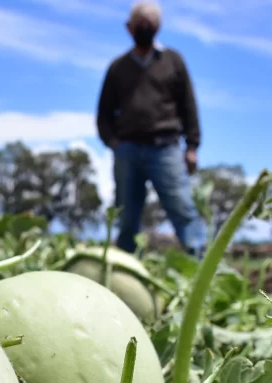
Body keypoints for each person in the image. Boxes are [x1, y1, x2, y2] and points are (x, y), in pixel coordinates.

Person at [96, 0, 207, 259]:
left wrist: (192, 146)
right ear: (129, 27)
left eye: (151, 24)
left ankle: (199, 265)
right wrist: (114, 144)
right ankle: (123, 269)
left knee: (182, 208)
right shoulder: (118, 67)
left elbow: (189, 105)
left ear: (158, 27)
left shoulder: (173, 61)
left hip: (166, 147)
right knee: (126, 215)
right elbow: (103, 113)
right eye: (141, 24)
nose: (146, 28)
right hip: (128, 150)